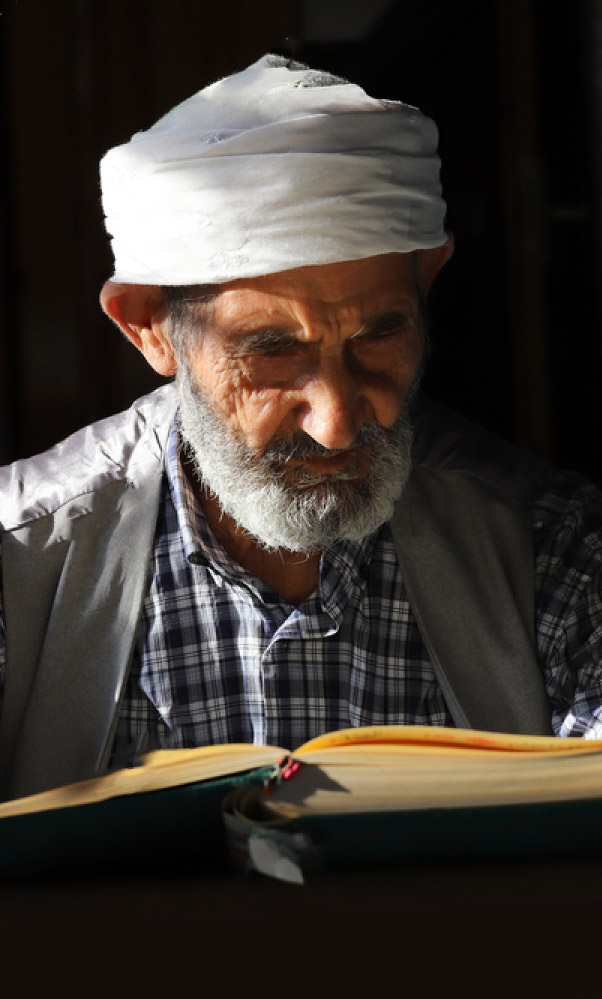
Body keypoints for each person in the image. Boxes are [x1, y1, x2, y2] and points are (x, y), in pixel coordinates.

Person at [0, 54, 601, 802]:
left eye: (378, 338)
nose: (338, 422)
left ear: (429, 279)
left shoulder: (548, 546)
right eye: (274, 352)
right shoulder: (17, 559)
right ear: (149, 326)